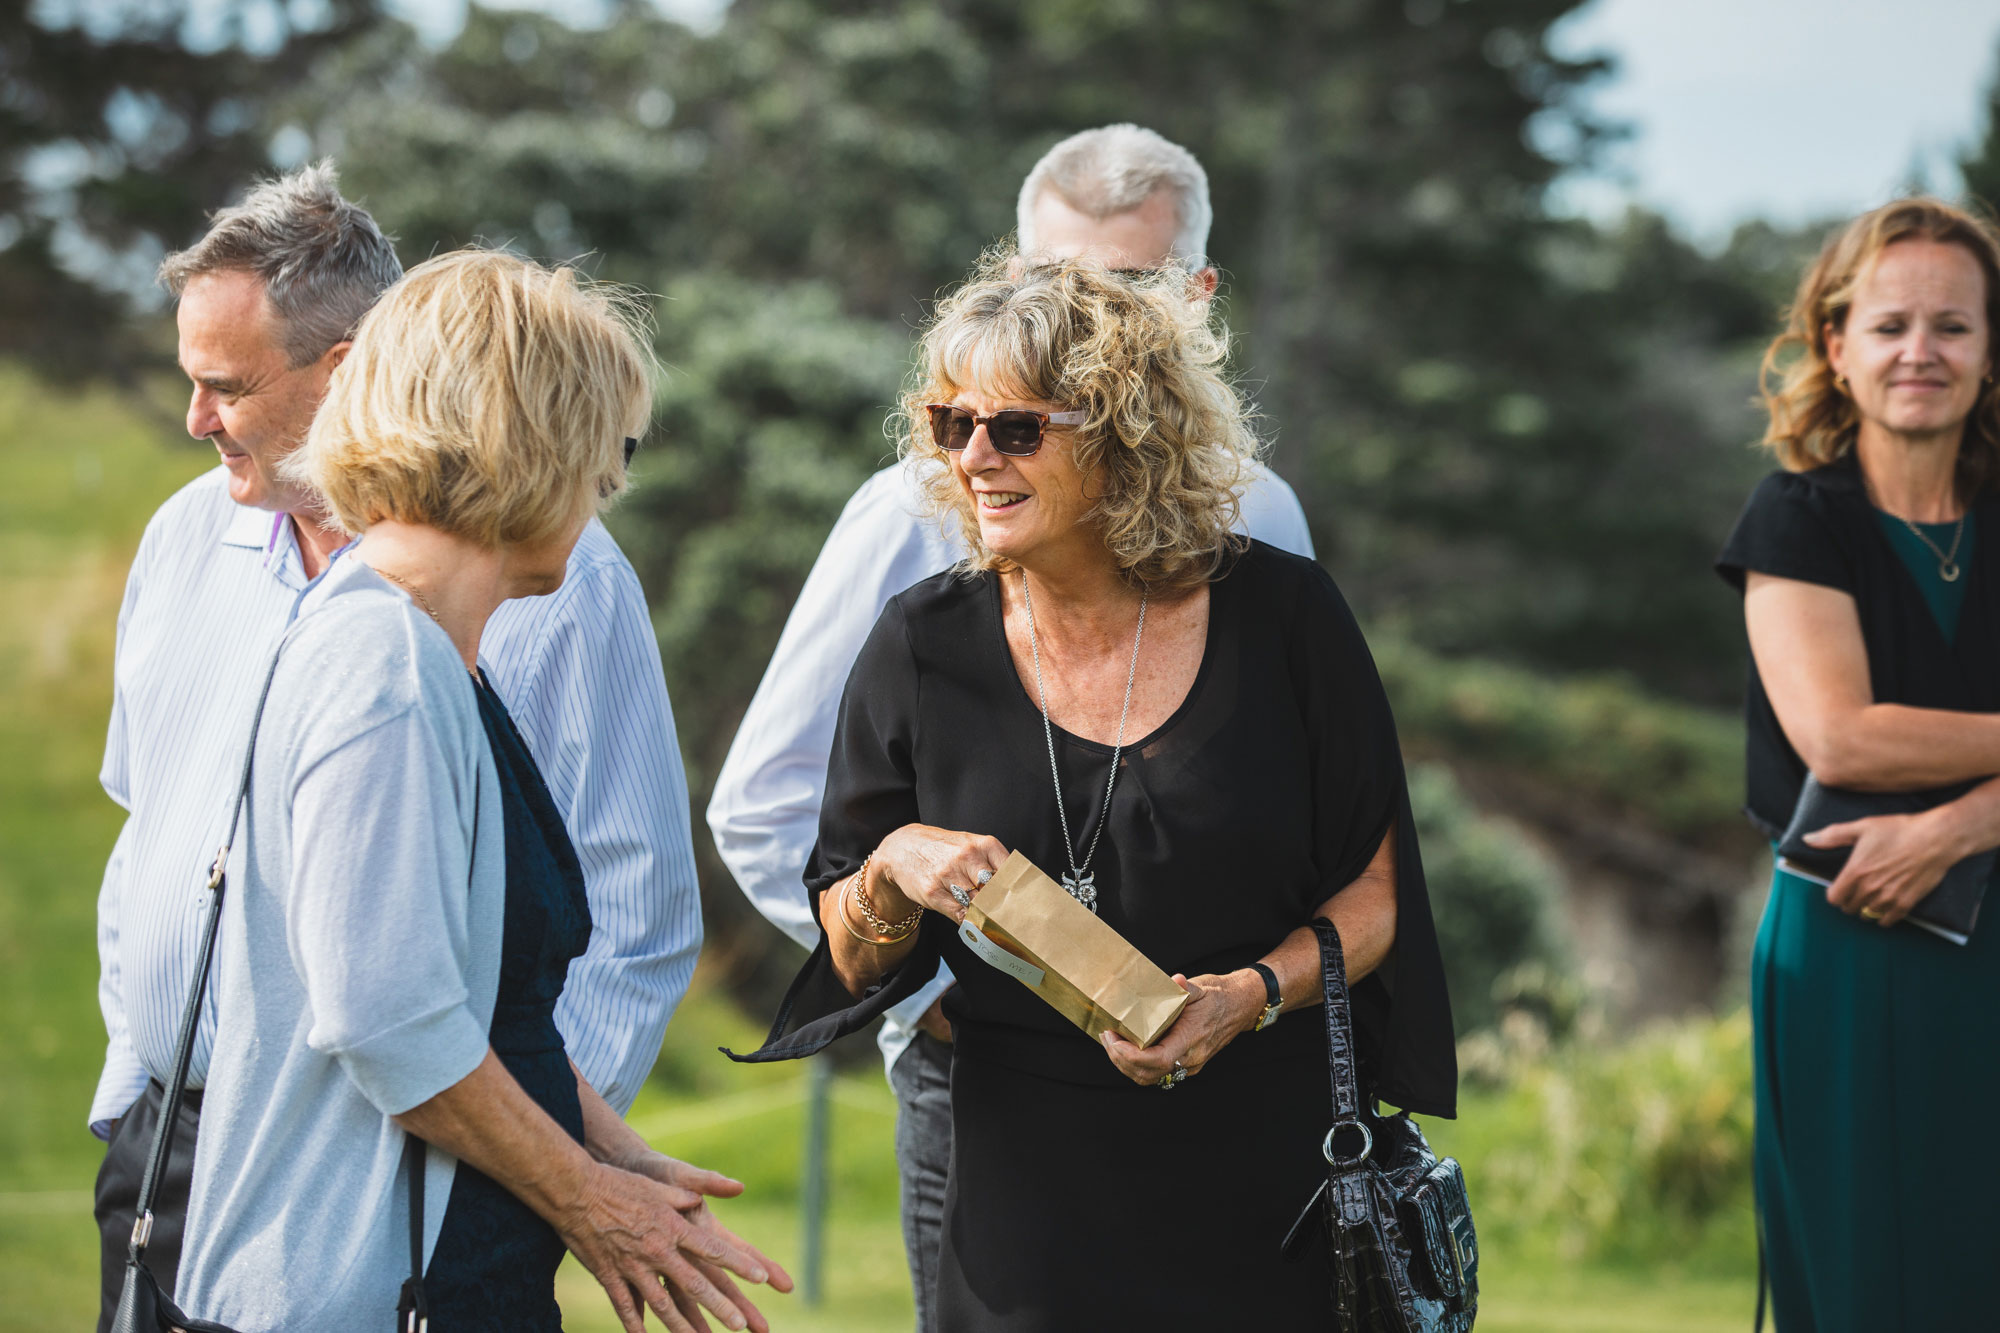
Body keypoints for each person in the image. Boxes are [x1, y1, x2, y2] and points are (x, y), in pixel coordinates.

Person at [730, 255, 1456, 1329]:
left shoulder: (1285, 617)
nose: (974, 457)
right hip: (1021, 1204)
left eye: (1015, 427)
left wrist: (1241, 996)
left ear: (1125, 433)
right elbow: (849, 948)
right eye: (949, 423)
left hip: (1268, 1187)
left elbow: (1375, 897)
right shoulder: (920, 644)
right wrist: (889, 875)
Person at [88, 164, 702, 1325]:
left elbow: (468, 983)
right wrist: (584, 1195)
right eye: (604, 452)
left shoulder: (416, 638)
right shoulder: (381, 657)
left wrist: (601, 1150)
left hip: (427, 1223)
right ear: (533, 448)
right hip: (342, 1252)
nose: (610, 486)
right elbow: (388, 1015)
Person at [1716, 197, 2000, 1331]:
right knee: (1867, 1276)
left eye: (1952, 326)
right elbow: (1838, 737)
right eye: (1887, 326)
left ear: (1991, 349)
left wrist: (1958, 822)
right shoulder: (1795, 515)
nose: (1918, 353)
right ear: (1834, 347)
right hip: (1851, 941)